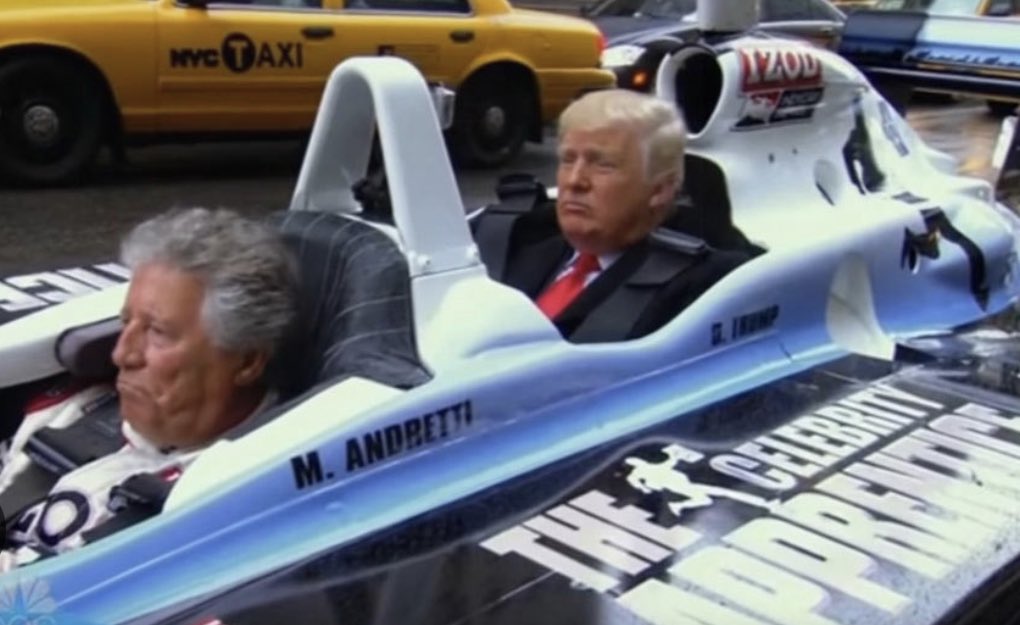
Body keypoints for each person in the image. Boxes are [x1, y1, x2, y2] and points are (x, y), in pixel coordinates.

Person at [0, 207, 299, 565]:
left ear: (247, 360)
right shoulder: (77, 409)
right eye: (126, 323)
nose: (121, 353)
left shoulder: (230, 500)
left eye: (157, 332)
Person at [478, 88, 748, 342]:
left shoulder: (702, 292)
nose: (574, 181)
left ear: (660, 189)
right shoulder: (515, 241)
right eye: (568, 160)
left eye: (603, 165)